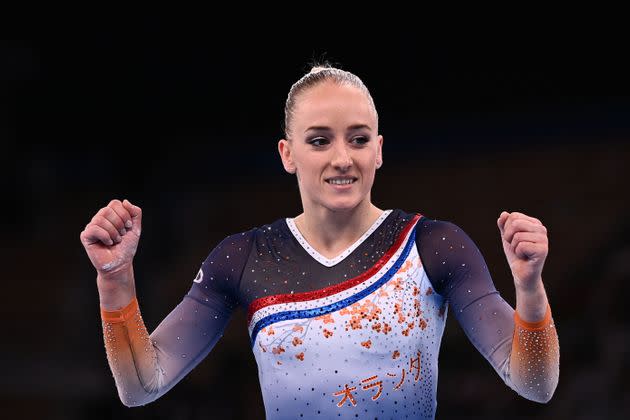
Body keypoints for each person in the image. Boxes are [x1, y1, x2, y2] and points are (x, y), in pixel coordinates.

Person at [80, 64, 559, 419]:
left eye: (357, 138)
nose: (342, 158)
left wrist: (530, 289)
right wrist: (115, 280)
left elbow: (535, 384)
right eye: (319, 140)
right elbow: (143, 385)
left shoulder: (433, 246)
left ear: (379, 150)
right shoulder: (244, 258)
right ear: (287, 154)